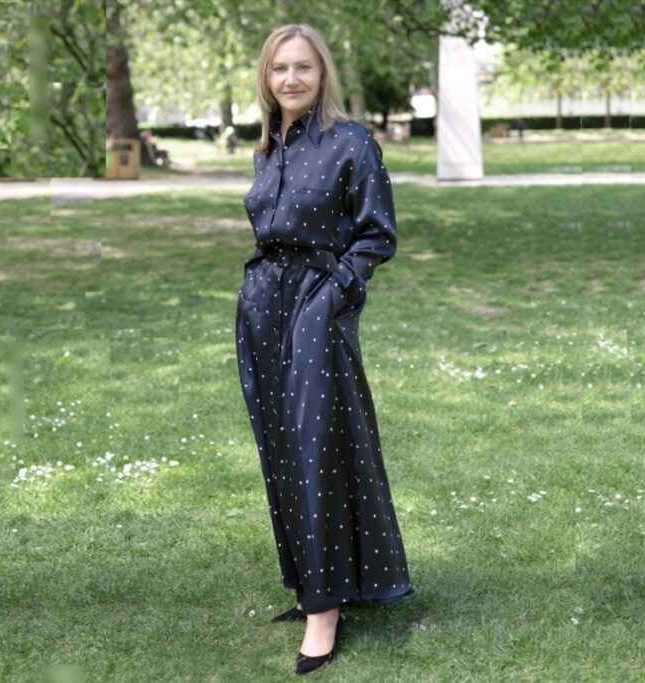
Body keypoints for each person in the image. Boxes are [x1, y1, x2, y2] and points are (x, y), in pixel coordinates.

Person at [234, 23, 415, 675]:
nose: (291, 79)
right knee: (282, 450)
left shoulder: (351, 142)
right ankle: (311, 583)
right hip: (263, 306)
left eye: (303, 67)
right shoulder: (267, 147)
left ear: (322, 74)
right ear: (266, 76)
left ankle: (326, 611)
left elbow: (376, 235)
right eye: (279, 67)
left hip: (317, 304)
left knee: (318, 448)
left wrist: (332, 295)